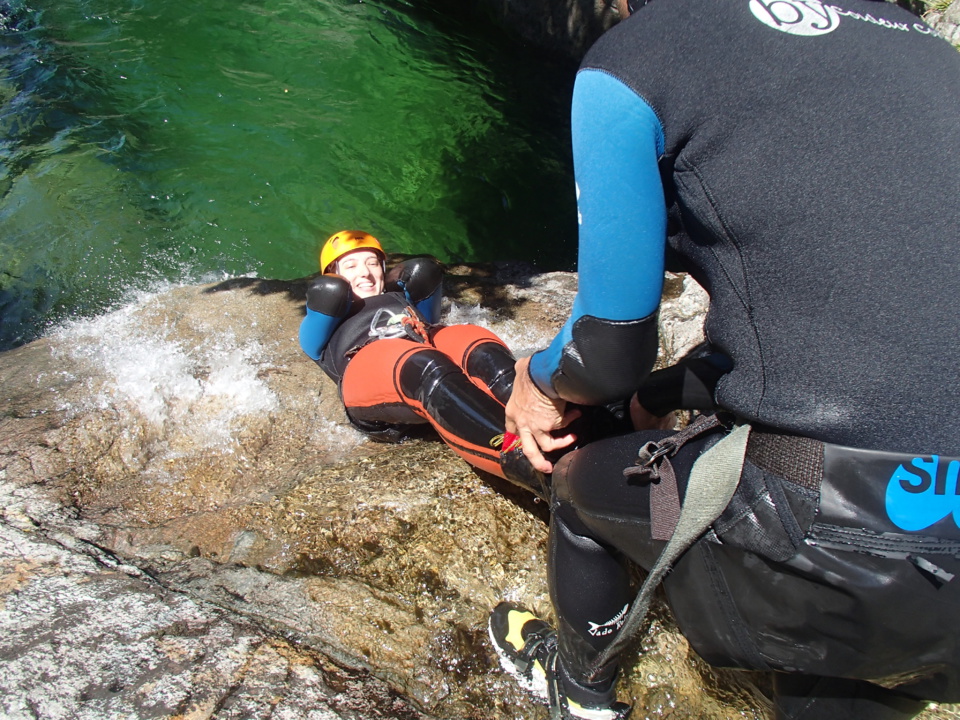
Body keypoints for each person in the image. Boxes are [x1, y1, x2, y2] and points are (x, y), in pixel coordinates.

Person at [486, 0, 960, 719]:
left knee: (580, 487)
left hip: (825, 519)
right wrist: (675, 386)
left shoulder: (635, 56)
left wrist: (539, 380)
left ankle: (580, 692)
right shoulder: (927, 47)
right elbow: (872, 323)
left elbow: (608, 349)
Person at [298, 230, 558, 498]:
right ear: (333, 274)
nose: (365, 272)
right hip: (371, 368)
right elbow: (323, 303)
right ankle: (533, 469)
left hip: (423, 347)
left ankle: (558, 427)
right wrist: (334, 288)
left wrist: (398, 281)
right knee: (425, 366)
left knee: (477, 343)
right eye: (350, 266)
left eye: (373, 263)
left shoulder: (398, 297)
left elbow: (424, 275)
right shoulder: (325, 322)